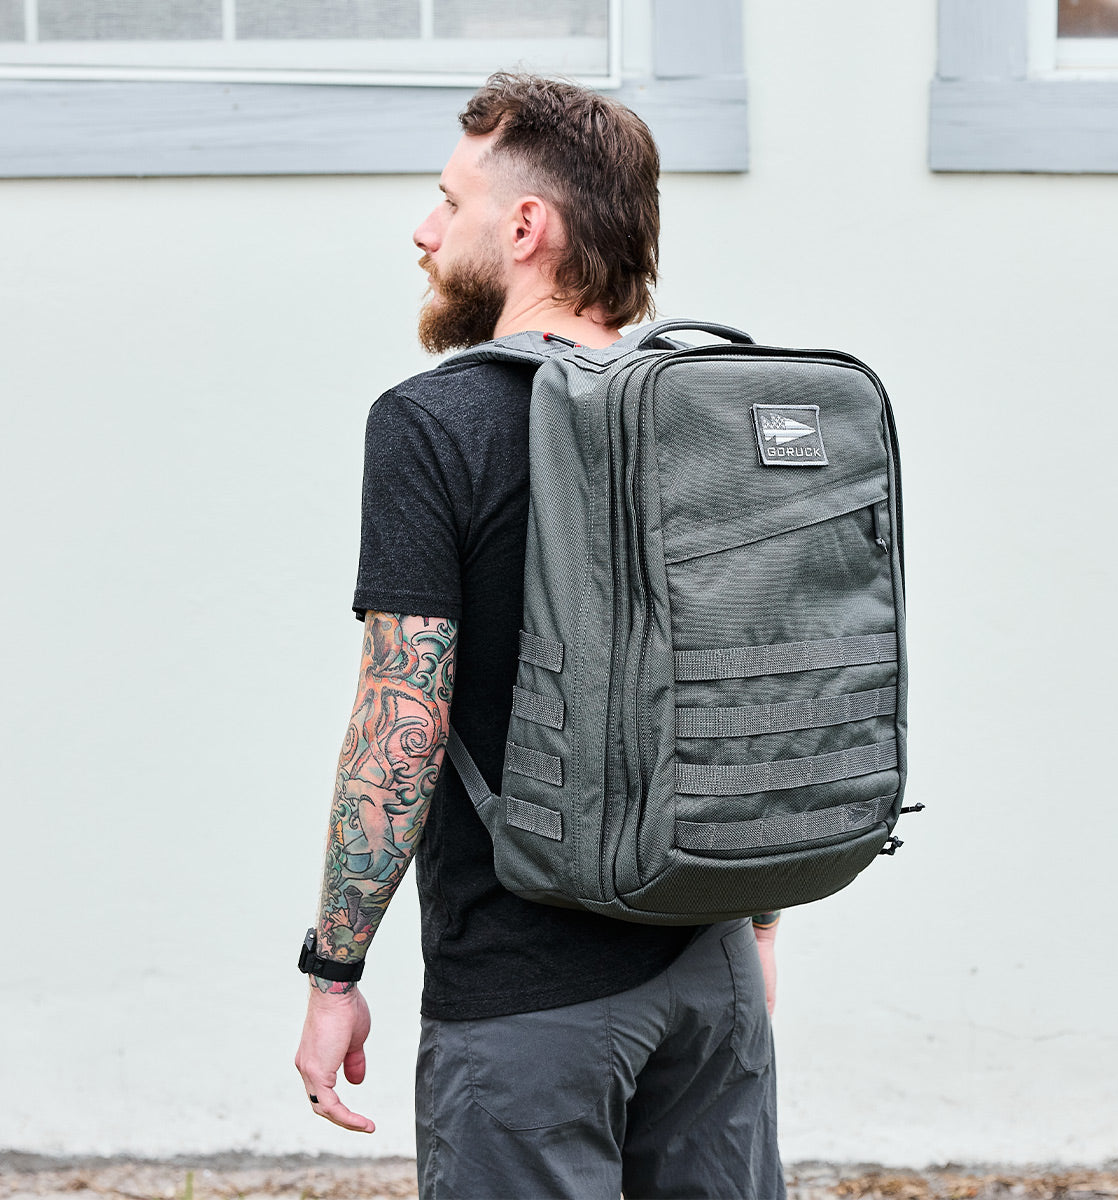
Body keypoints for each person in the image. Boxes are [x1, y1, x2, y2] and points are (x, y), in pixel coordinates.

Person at [294, 72, 786, 1200]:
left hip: (527, 1007)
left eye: (449, 200)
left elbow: (400, 723)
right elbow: (744, 678)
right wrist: (758, 923)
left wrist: (334, 971)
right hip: (710, 966)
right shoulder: (703, 409)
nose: (425, 231)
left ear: (525, 228)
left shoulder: (432, 422)